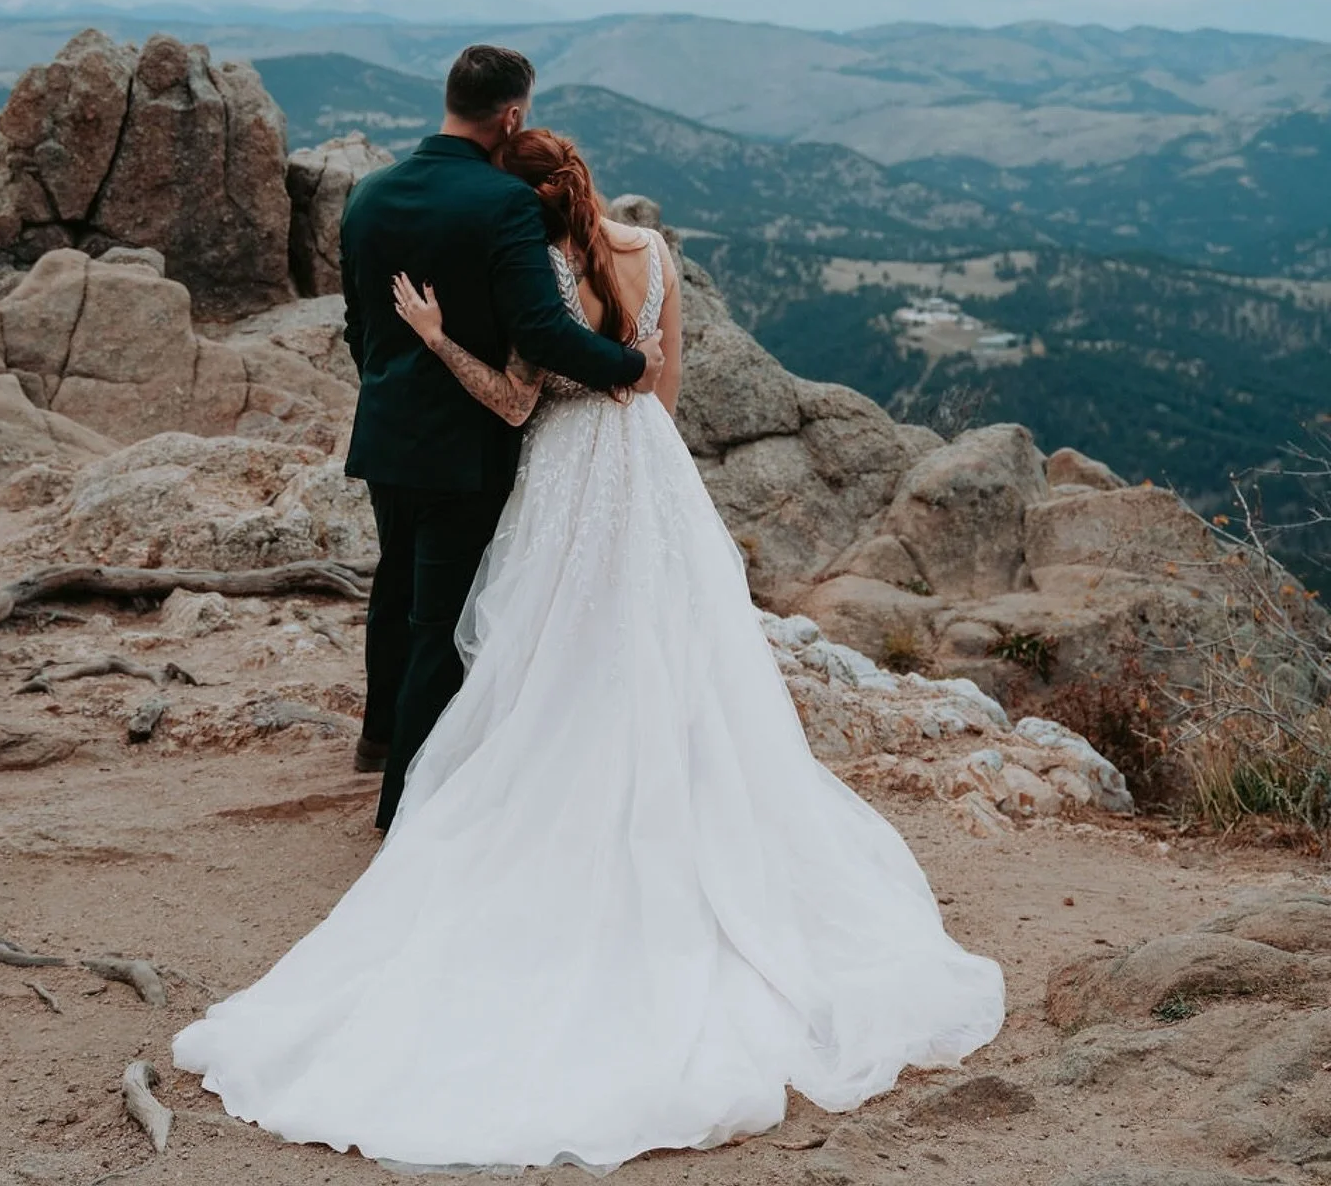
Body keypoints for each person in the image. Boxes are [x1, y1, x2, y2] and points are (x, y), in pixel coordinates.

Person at [173, 127, 1005, 1172]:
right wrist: (642, 454)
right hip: (651, 469)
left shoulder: (543, 267)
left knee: (553, 650)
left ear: (525, 200)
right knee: (669, 644)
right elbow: (663, 383)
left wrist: (436, 336)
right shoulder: (653, 252)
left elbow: (517, 398)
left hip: (567, 474)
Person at [335, 45, 663, 828]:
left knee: (396, 587)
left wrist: (394, 389)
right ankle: (403, 805)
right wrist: (630, 363)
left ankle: (378, 737)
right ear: (511, 117)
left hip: (387, 433)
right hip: (466, 442)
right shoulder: (505, 204)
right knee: (443, 620)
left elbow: (357, 324)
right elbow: (543, 331)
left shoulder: (369, 193)